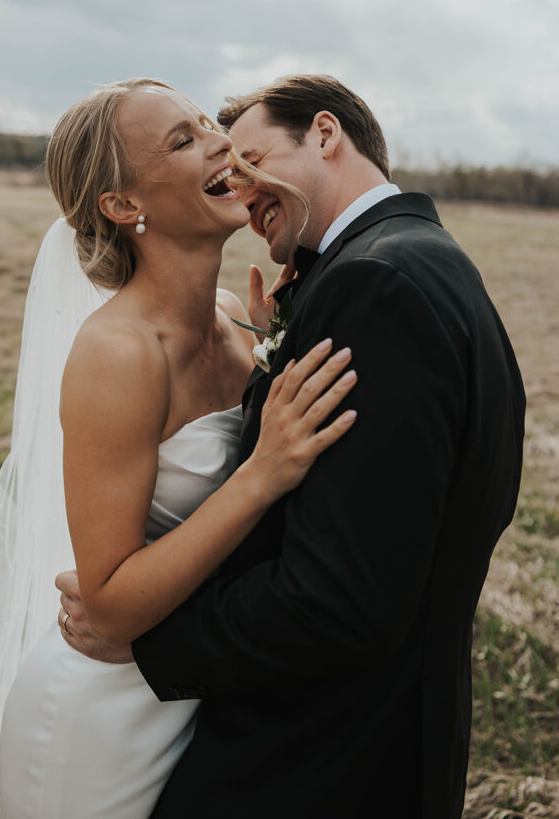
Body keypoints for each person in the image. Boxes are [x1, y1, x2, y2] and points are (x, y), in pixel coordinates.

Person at [58, 75, 525, 819]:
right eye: (189, 140)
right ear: (122, 206)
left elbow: (342, 592)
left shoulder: (366, 287)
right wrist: (270, 408)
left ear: (325, 135)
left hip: (319, 744)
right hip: (176, 721)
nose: (227, 160)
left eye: (234, 142)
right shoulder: (404, 263)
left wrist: (157, 646)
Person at [0, 77, 358, 819]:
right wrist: (261, 472)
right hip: (101, 720)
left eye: (207, 123)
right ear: (122, 206)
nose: (220, 142)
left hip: (197, 687)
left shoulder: (235, 316)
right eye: (182, 140)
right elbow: (105, 607)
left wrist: (278, 345)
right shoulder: (119, 353)